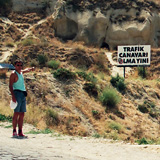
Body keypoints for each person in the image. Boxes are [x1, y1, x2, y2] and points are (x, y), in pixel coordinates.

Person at [9, 59, 34, 138]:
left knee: (22, 113)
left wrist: (31, 68)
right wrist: (13, 96)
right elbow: (10, 85)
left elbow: (26, 70)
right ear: (15, 66)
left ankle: (20, 131)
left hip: (23, 93)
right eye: (18, 65)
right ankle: (14, 130)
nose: (19, 67)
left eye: (20, 65)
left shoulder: (21, 72)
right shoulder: (13, 74)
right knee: (16, 113)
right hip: (17, 93)